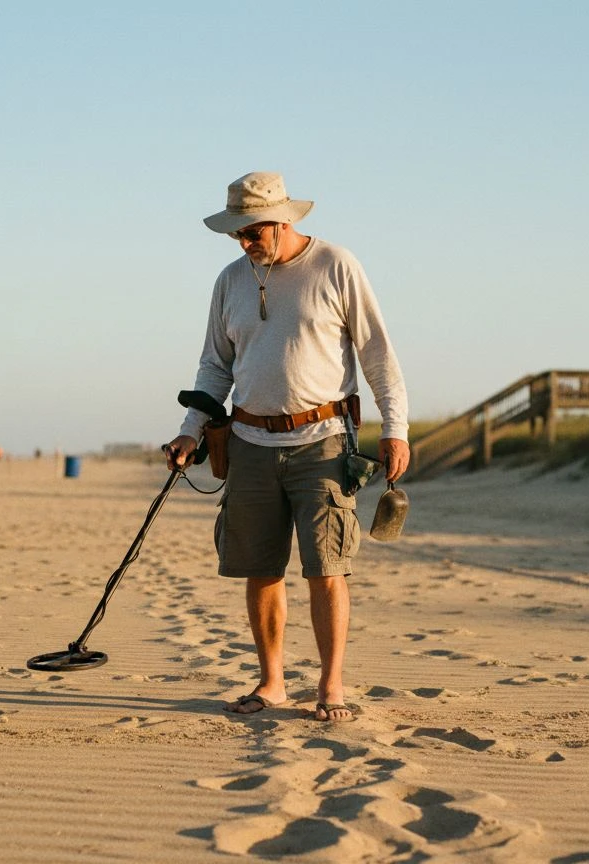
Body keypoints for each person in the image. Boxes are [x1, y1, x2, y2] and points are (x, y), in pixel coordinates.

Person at [165, 172, 410, 723]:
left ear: (283, 220)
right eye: (236, 235)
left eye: (251, 232)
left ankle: (331, 685)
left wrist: (396, 428)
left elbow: (377, 355)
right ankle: (271, 682)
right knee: (261, 568)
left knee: (327, 567)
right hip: (248, 442)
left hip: (323, 443)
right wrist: (191, 427)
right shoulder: (229, 280)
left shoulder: (336, 266)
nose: (244, 243)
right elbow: (214, 364)